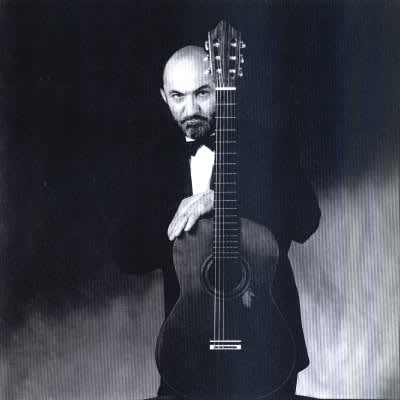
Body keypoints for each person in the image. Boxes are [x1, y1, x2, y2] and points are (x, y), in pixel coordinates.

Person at [112, 45, 321, 398]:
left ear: (223, 90)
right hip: (187, 350)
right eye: (178, 96)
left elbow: (306, 221)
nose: (190, 109)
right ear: (163, 97)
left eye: (202, 93)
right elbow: (126, 255)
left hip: (267, 343)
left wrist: (224, 201)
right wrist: (178, 221)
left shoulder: (267, 146)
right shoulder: (152, 160)